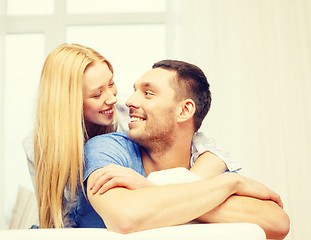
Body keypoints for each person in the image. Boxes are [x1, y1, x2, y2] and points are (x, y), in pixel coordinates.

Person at [23, 44, 240, 228]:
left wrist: (157, 188)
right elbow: (58, 216)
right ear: (70, 103)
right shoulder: (39, 147)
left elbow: (202, 145)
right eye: (97, 94)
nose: (112, 98)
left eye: (111, 83)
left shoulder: (129, 111)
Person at [77, 60, 290, 239]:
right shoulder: (107, 149)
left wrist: (148, 189)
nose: (130, 101)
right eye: (134, 91)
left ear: (184, 110)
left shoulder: (207, 163)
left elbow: (277, 222)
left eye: (148, 93)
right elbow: (125, 217)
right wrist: (231, 183)